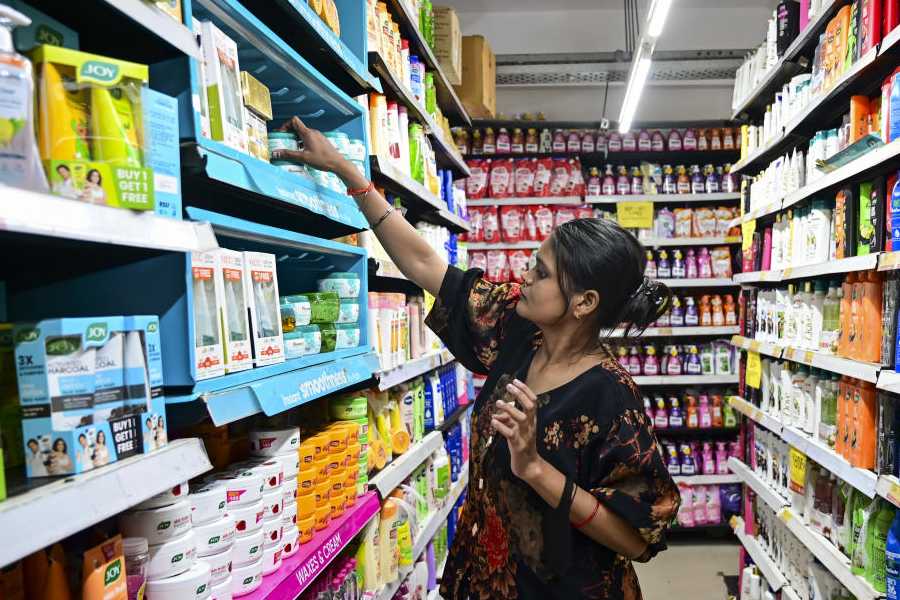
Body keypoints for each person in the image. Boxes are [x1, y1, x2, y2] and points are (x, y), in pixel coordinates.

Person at [273, 118, 681, 600]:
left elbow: (638, 539)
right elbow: (428, 265)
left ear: (584, 303)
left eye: (542, 273)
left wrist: (534, 468)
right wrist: (350, 175)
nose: (525, 276)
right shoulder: (520, 330)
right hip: (488, 581)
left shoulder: (612, 396)